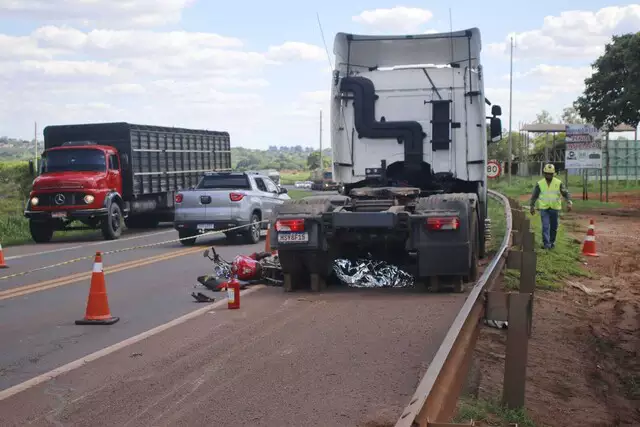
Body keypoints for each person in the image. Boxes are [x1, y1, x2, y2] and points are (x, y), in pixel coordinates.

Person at [529, 164, 572, 249]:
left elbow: (565, 193)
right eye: (547, 173)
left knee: (554, 227)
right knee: (545, 226)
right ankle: (546, 244)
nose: (548, 175)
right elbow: (534, 196)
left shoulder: (558, 183)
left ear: (553, 174)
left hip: (554, 208)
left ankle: (552, 242)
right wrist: (532, 206)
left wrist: (569, 202)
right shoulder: (540, 184)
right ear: (544, 173)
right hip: (544, 209)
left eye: (550, 174)